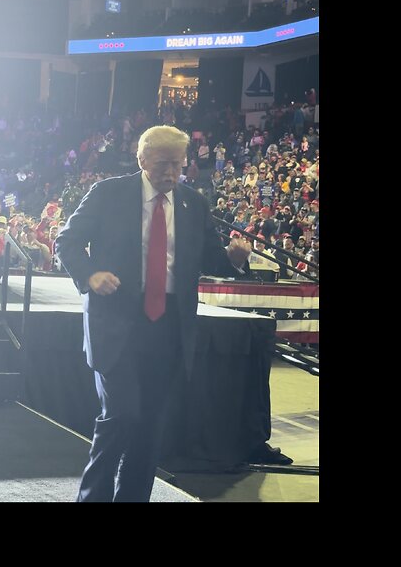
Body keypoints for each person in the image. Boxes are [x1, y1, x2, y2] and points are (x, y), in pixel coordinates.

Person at [54, 125, 253, 502]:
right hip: (116, 326)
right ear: (142, 159)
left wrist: (233, 259)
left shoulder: (194, 203)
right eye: (163, 163)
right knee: (122, 415)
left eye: (178, 164)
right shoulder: (108, 193)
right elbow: (67, 241)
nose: (171, 173)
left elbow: (211, 257)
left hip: (169, 331)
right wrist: (91, 274)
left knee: (150, 428)